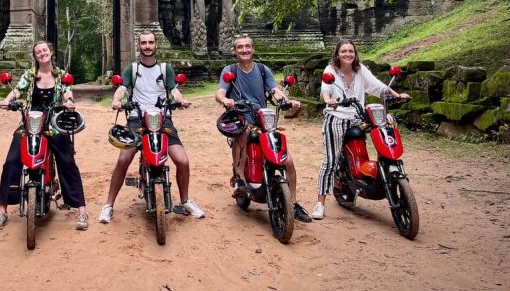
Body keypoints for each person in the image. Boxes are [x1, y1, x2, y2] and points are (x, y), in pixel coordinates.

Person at [98, 30, 204, 224]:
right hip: (137, 119)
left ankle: (186, 200)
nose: (147, 46)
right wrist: (116, 101)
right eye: (144, 43)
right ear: (139, 46)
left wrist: (181, 100)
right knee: (124, 159)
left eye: (151, 43)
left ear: (156, 45)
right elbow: (122, 88)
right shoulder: (132, 68)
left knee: (182, 161)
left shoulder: (165, 69)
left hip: (162, 119)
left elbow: (174, 90)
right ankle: (108, 205)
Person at [0, 40, 89, 231]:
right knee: (12, 159)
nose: (42, 53)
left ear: (51, 52)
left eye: (45, 50)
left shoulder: (62, 75)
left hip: (53, 124)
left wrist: (69, 102)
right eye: (38, 52)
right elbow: (17, 90)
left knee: (67, 160)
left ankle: (81, 210)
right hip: (29, 123)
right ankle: (2, 210)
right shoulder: (30, 75)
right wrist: (7, 100)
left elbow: (67, 93)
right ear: (35, 56)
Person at [215, 34, 312, 223]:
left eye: (248, 46)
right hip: (241, 117)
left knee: (288, 161)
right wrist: (226, 100)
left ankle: (292, 202)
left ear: (253, 49)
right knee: (242, 137)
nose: (244, 50)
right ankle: (241, 179)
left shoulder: (262, 69)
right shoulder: (230, 70)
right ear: (235, 51)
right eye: (240, 47)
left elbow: (275, 90)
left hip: (263, 118)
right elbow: (219, 93)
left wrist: (287, 101)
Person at [312, 39, 409, 220]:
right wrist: (328, 100)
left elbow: (377, 86)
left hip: (358, 118)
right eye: (344, 51)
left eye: (351, 51)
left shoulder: (360, 69)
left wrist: (397, 95)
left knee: (383, 130)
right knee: (330, 161)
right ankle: (320, 203)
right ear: (337, 54)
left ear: (355, 53)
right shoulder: (330, 71)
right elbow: (326, 89)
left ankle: (379, 175)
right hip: (337, 117)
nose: (348, 54)